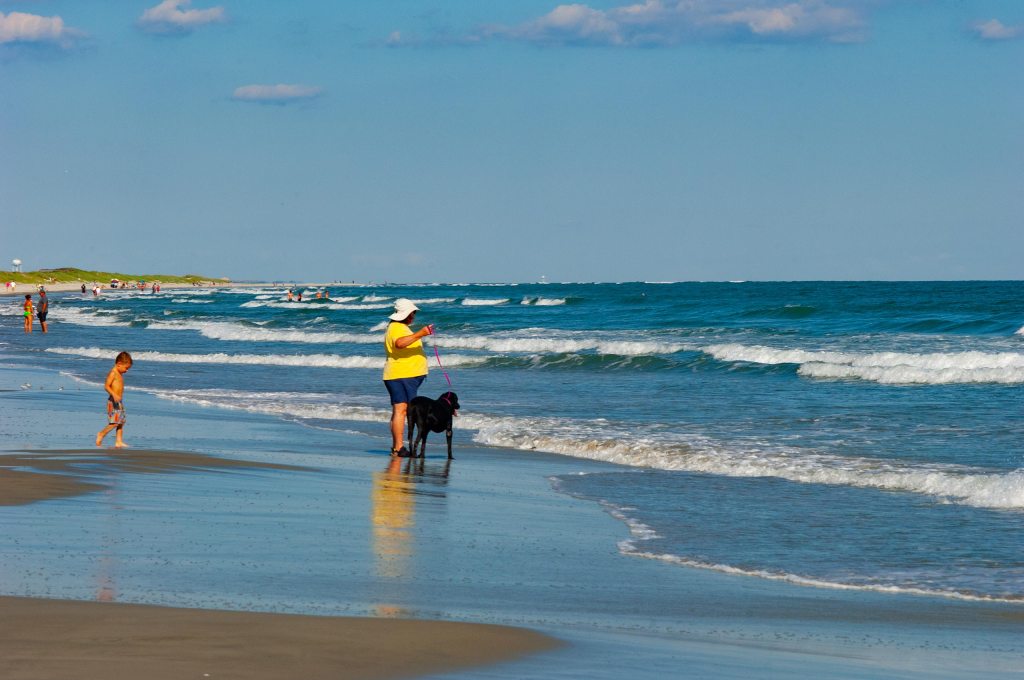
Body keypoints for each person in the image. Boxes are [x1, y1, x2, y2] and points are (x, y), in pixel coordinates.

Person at [382, 299, 433, 457]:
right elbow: (400, 343)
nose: (414, 316)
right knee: (401, 410)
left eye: (414, 313)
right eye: (412, 313)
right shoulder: (397, 327)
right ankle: (398, 447)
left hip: (403, 376)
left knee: (401, 410)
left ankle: (397, 447)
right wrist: (421, 334)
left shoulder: (399, 327)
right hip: (401, 375)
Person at [95, 351, 133, 448]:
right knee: (115, 422)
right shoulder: (113, 373)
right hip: (113, 401)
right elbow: (106, 386)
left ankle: (118, 441)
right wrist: (114, 394)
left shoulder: (119, 373)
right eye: (126, 368)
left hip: (119, 402)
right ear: (119, 364)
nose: (127, 371)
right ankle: (101, 434)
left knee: (121, 422)